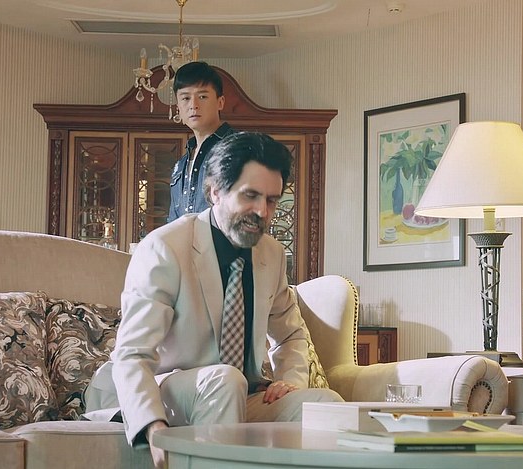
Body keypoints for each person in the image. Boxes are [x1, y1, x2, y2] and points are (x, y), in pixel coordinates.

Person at [84, 132, 343, 469]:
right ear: (215, 191)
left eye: (271, 200)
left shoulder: (273, 254)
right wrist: (154, 427)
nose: (262, 211)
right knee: (225, 380)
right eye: (250, 195)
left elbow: (291, 335)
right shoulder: (165, 248)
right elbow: (132, 354)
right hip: (164, 388)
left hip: (238, 392)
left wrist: (290, 382)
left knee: (324, 404)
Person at [167, 61, 236, 223]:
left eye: (202, 97)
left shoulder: (238, 148)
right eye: (185, 98)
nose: (193, 105)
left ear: (220, 102)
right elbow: (173, 221)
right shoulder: (181, 164)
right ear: (178, 107)